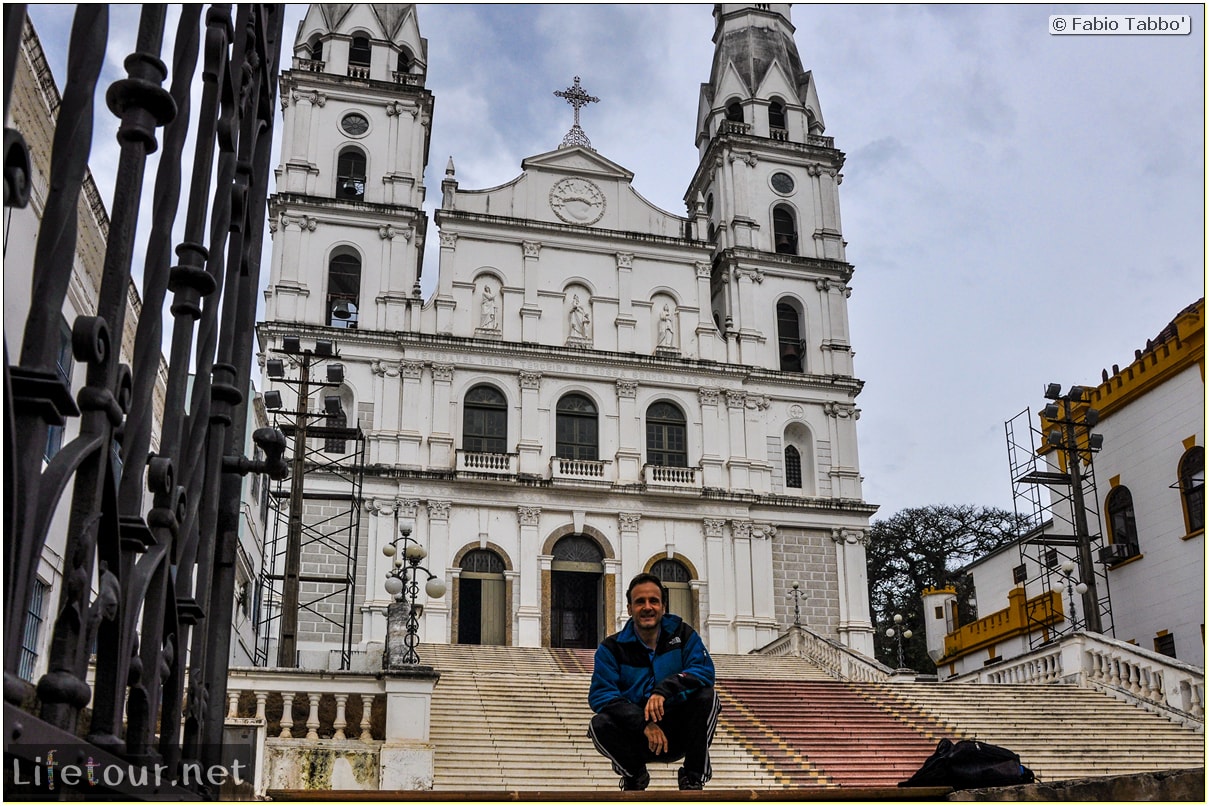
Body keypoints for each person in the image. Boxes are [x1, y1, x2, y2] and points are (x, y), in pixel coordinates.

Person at [587, 573, 721, 791]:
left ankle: (693, 776)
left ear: (663, 606)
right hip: (638, 736)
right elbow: (601, 695)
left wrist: (664, 690)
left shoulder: (683, 634)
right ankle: (634, 775)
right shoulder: (611, 649)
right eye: (640, 602)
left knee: (708, 696)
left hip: (679, 731)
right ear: (629, 609)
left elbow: (704, 671)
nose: (647, 607)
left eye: (654, 601)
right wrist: (643, 723)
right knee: (598, 725)